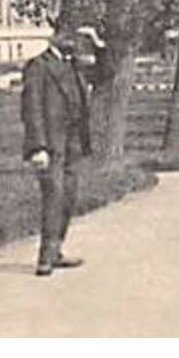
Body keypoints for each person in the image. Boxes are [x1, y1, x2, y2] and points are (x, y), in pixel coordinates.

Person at [21, 24, 107, 276]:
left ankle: (56, 249)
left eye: (74, 38)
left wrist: (98, 44)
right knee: (54, 195)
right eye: (65, 36)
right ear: (54, 37)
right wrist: (38, 147)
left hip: (73, 143)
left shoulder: (74, 65)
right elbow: (32, 108)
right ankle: (45, 257)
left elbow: (105, 75)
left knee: (69, 196)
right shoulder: (39, 66)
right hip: (51, 144)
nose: (71, 41)